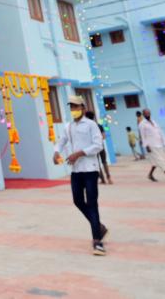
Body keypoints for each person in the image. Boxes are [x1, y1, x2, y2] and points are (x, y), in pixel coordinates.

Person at [54, 96, 108, 256]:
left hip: (90, 169)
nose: (74, 110)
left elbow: (98, 145)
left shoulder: (91, 125)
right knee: (77, 200)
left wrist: (79, 153)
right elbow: (61, 141)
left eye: (76, 106)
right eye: (71, 107)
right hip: (76, 170)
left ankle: (97, 241)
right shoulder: (68, 126)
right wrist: (56, 151)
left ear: (83, 108)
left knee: (92, 203)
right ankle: (99, 226)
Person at [138, 109, 165, 184]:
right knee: (161, 161)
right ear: (143, 114)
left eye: (148, 113)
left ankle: (150, 175)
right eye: (146, 113)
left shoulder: (154, 122)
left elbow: (160, 132)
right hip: (151, 146)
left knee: (156, 162)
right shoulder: (142, 124)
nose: (147, 114)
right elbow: (143, 136)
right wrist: (146, 146)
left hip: (160, 144)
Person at [85, 111, 112, 185]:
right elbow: (104, 136)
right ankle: (109, 178)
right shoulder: (99, 125)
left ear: (87, 117)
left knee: (97, 163)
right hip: (101, 145)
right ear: (93, 117)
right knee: (104, 162)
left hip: (93, 147)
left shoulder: (87, 127)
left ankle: (102, 179)